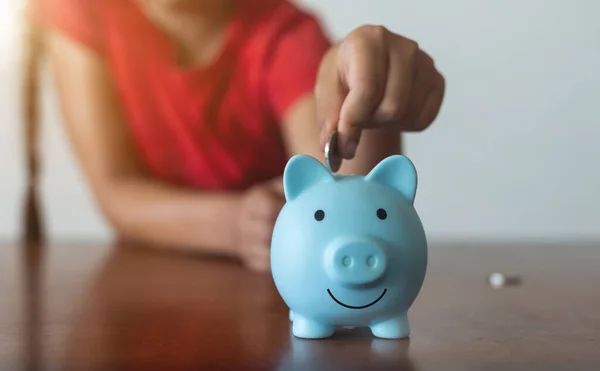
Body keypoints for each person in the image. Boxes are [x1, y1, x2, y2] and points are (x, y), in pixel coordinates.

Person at [33, 0, 445, 272]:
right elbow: (114, 191)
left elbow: (343, 202)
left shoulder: (287, 36)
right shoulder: (81, 11)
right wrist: (235, 223)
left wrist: (360, 95)